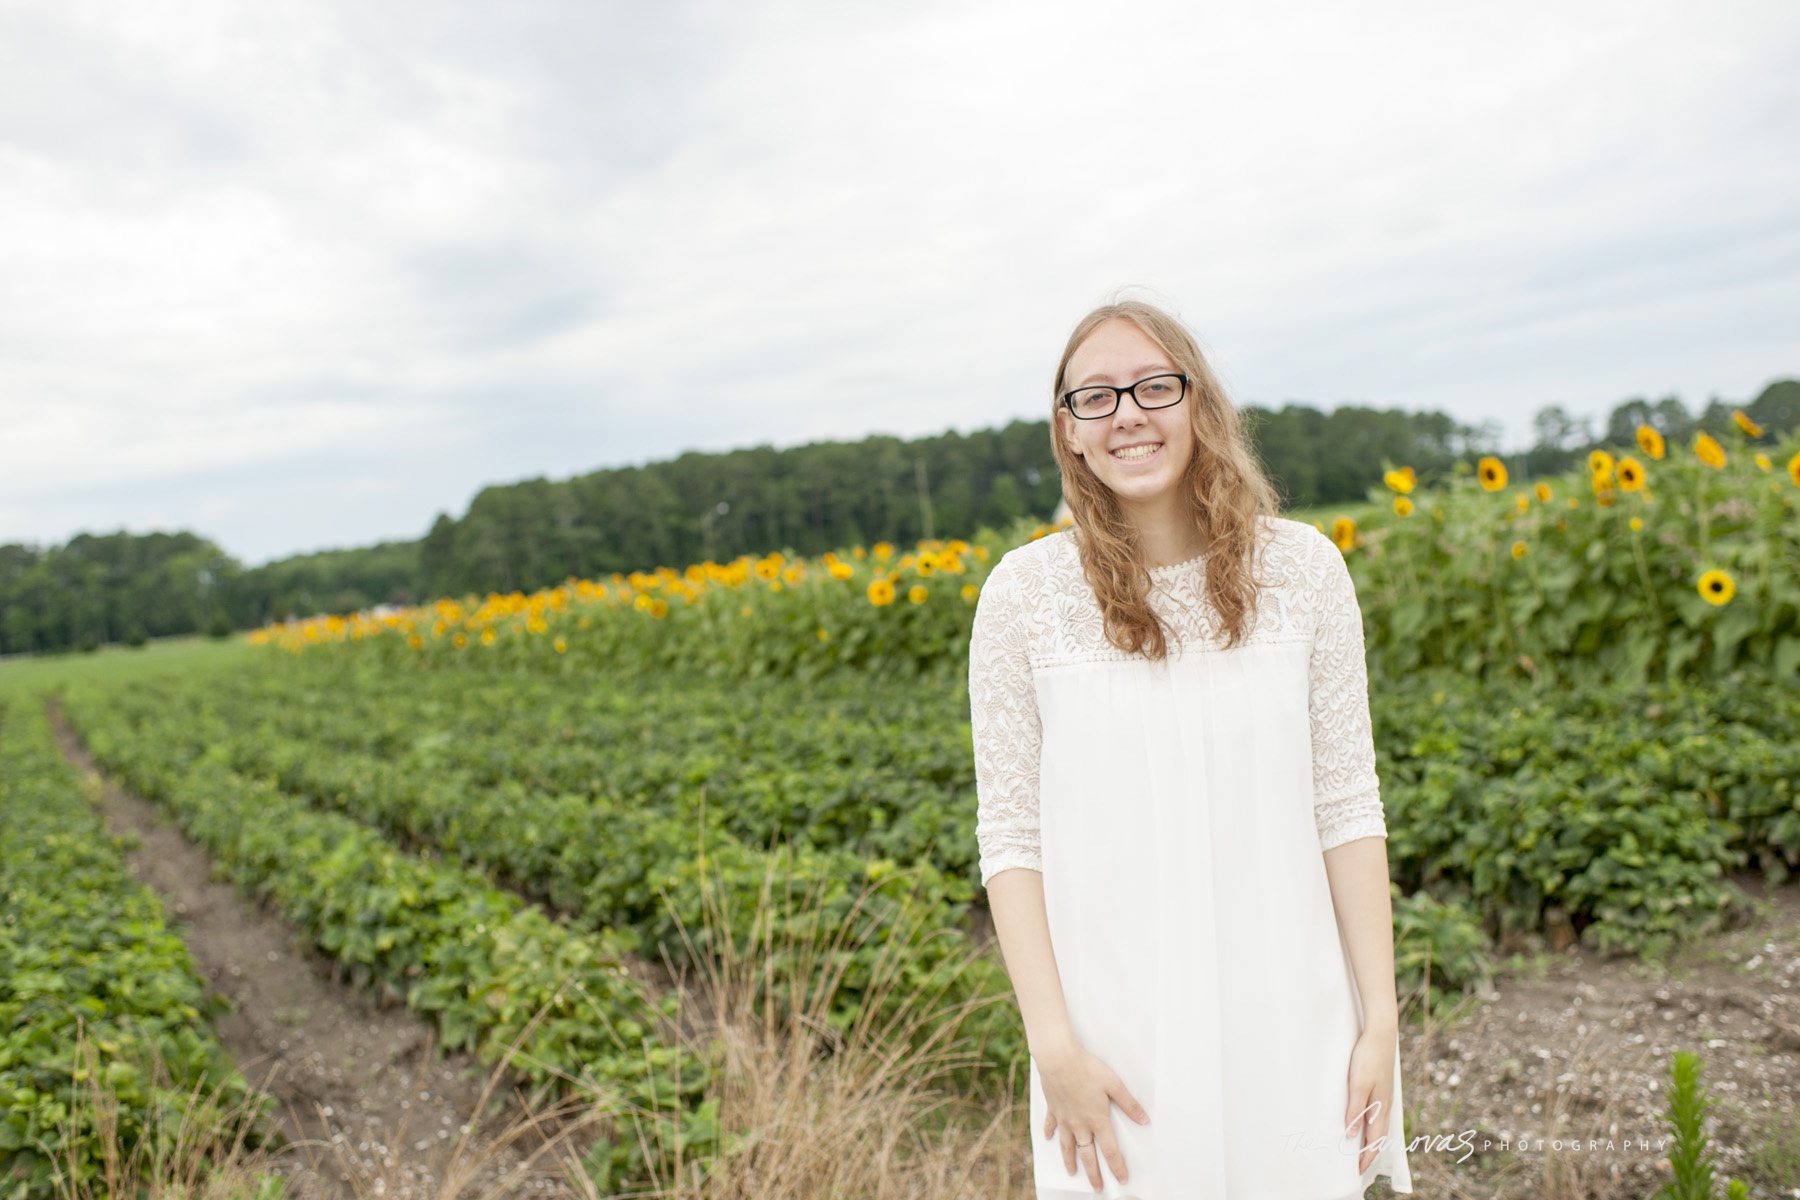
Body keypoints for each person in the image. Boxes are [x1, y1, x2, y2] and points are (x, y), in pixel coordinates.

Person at [969, 298, 1415, 1199]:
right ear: (1070, 431)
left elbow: (1346, 805)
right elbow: (1013, 838)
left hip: (1292, 1013)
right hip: (1115, 1041)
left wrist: (1379, 1024)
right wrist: (1052, 1045)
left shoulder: (1304, 570)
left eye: (1153, 385)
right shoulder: (1023, 596)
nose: (1128, 411)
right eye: (1095, 396)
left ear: (1199, 403)